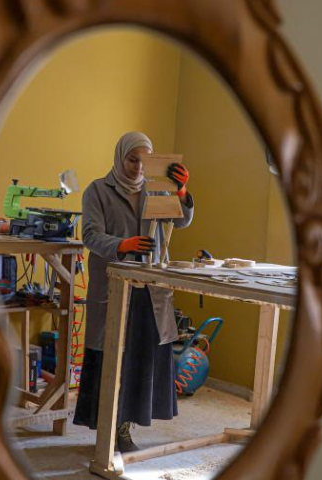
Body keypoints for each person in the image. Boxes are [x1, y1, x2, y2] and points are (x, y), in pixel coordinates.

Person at [73, 132, 194, 452]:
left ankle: (125, 428)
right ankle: (108, 426)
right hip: (114, 283)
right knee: (113, 354)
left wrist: (181, 192)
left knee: (141, 355)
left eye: (145, 160)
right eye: (132, 159)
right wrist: (121, 246)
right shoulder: (98, 190)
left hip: (150, 288)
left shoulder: (157, 190)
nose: (138, 167)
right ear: (120, 157)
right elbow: (89, 234)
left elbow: (180, 222)